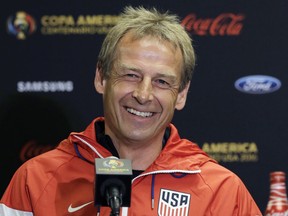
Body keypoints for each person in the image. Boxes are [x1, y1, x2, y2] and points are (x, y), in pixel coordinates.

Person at [0, 6, 262, 216]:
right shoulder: (35, 180)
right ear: (101, 78)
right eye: (130, 75)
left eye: (162, 81)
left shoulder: (222, 192)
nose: (143, 94)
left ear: (181, 94)